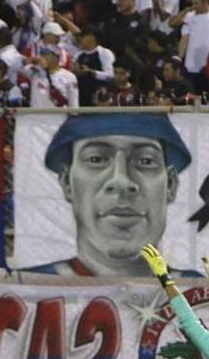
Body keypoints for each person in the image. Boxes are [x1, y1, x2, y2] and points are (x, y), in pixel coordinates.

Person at [25, 113, 194, 277]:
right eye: (96, 159)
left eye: (146, 161)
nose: (121, 181)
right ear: (67, 183)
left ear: (170, 185)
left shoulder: (203, 290)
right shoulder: (26, 288)